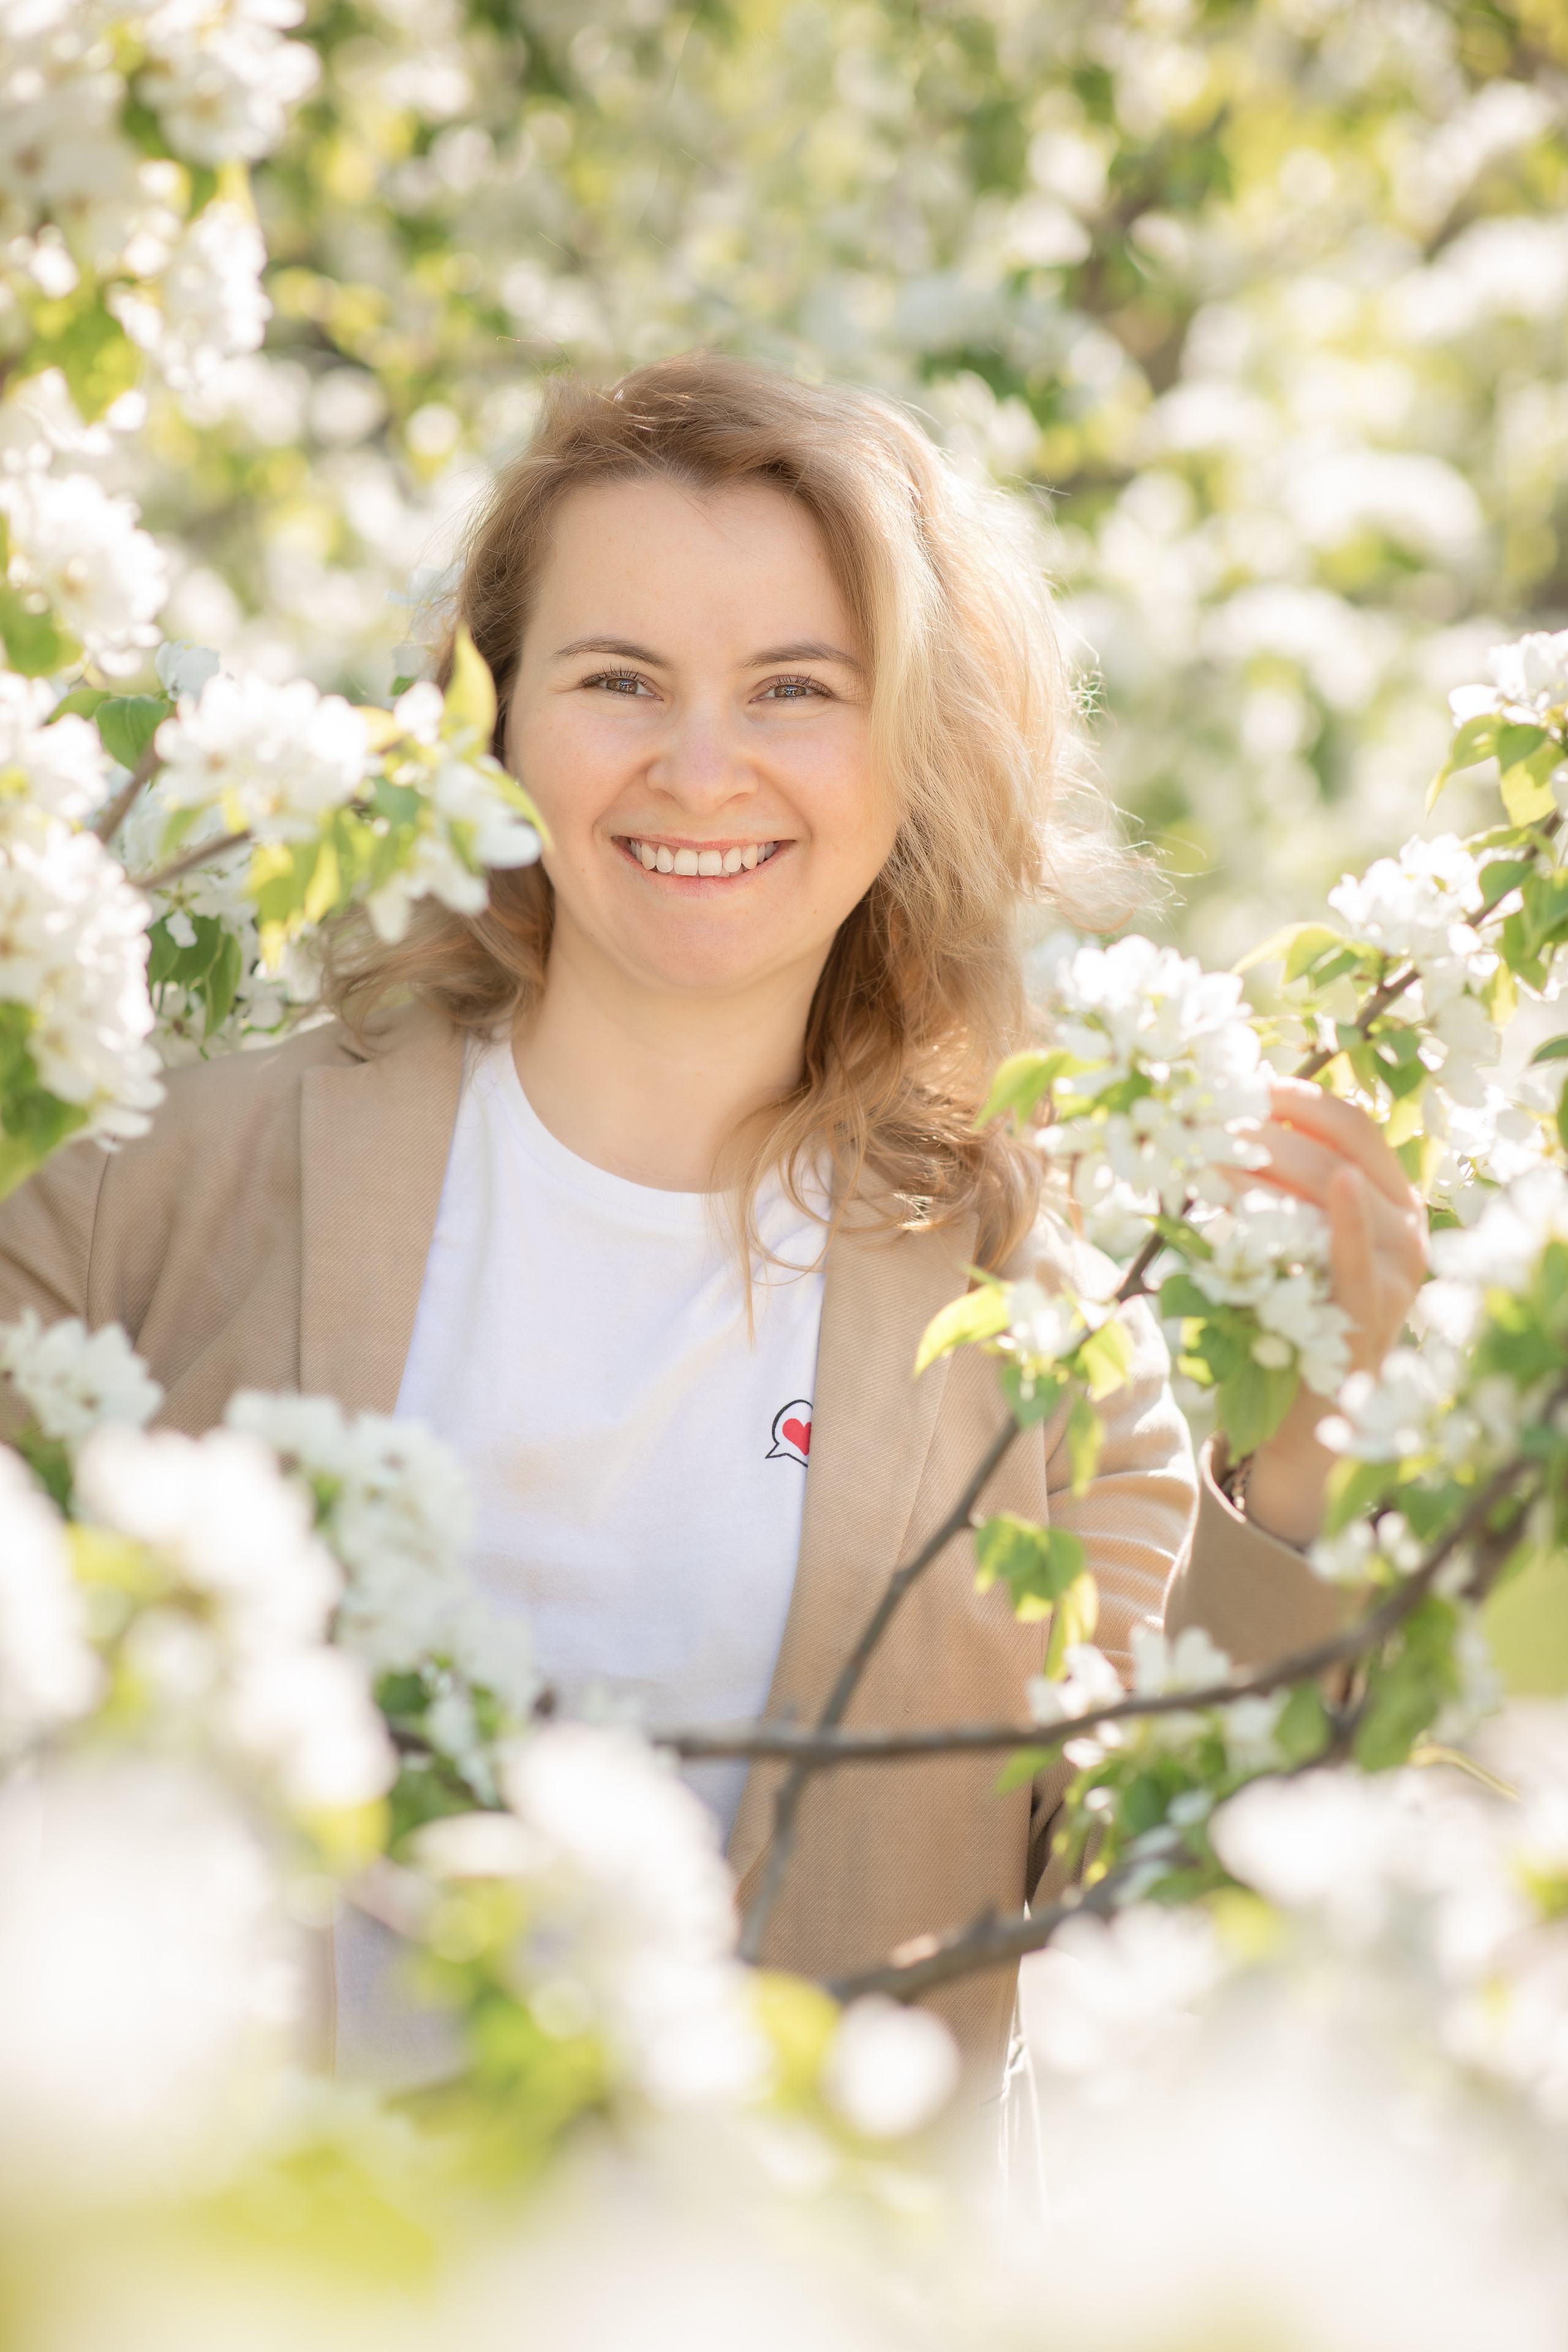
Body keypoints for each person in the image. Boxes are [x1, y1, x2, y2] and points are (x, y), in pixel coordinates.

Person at [0, 356, 1425, 2088]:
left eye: (793, 691)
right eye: (619, 679)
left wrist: (1308, 1474)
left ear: (913, 754)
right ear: (490, 716)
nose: (699, 768)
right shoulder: (142, 1192)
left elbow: (1184, 1966)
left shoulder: (1047, 1363)